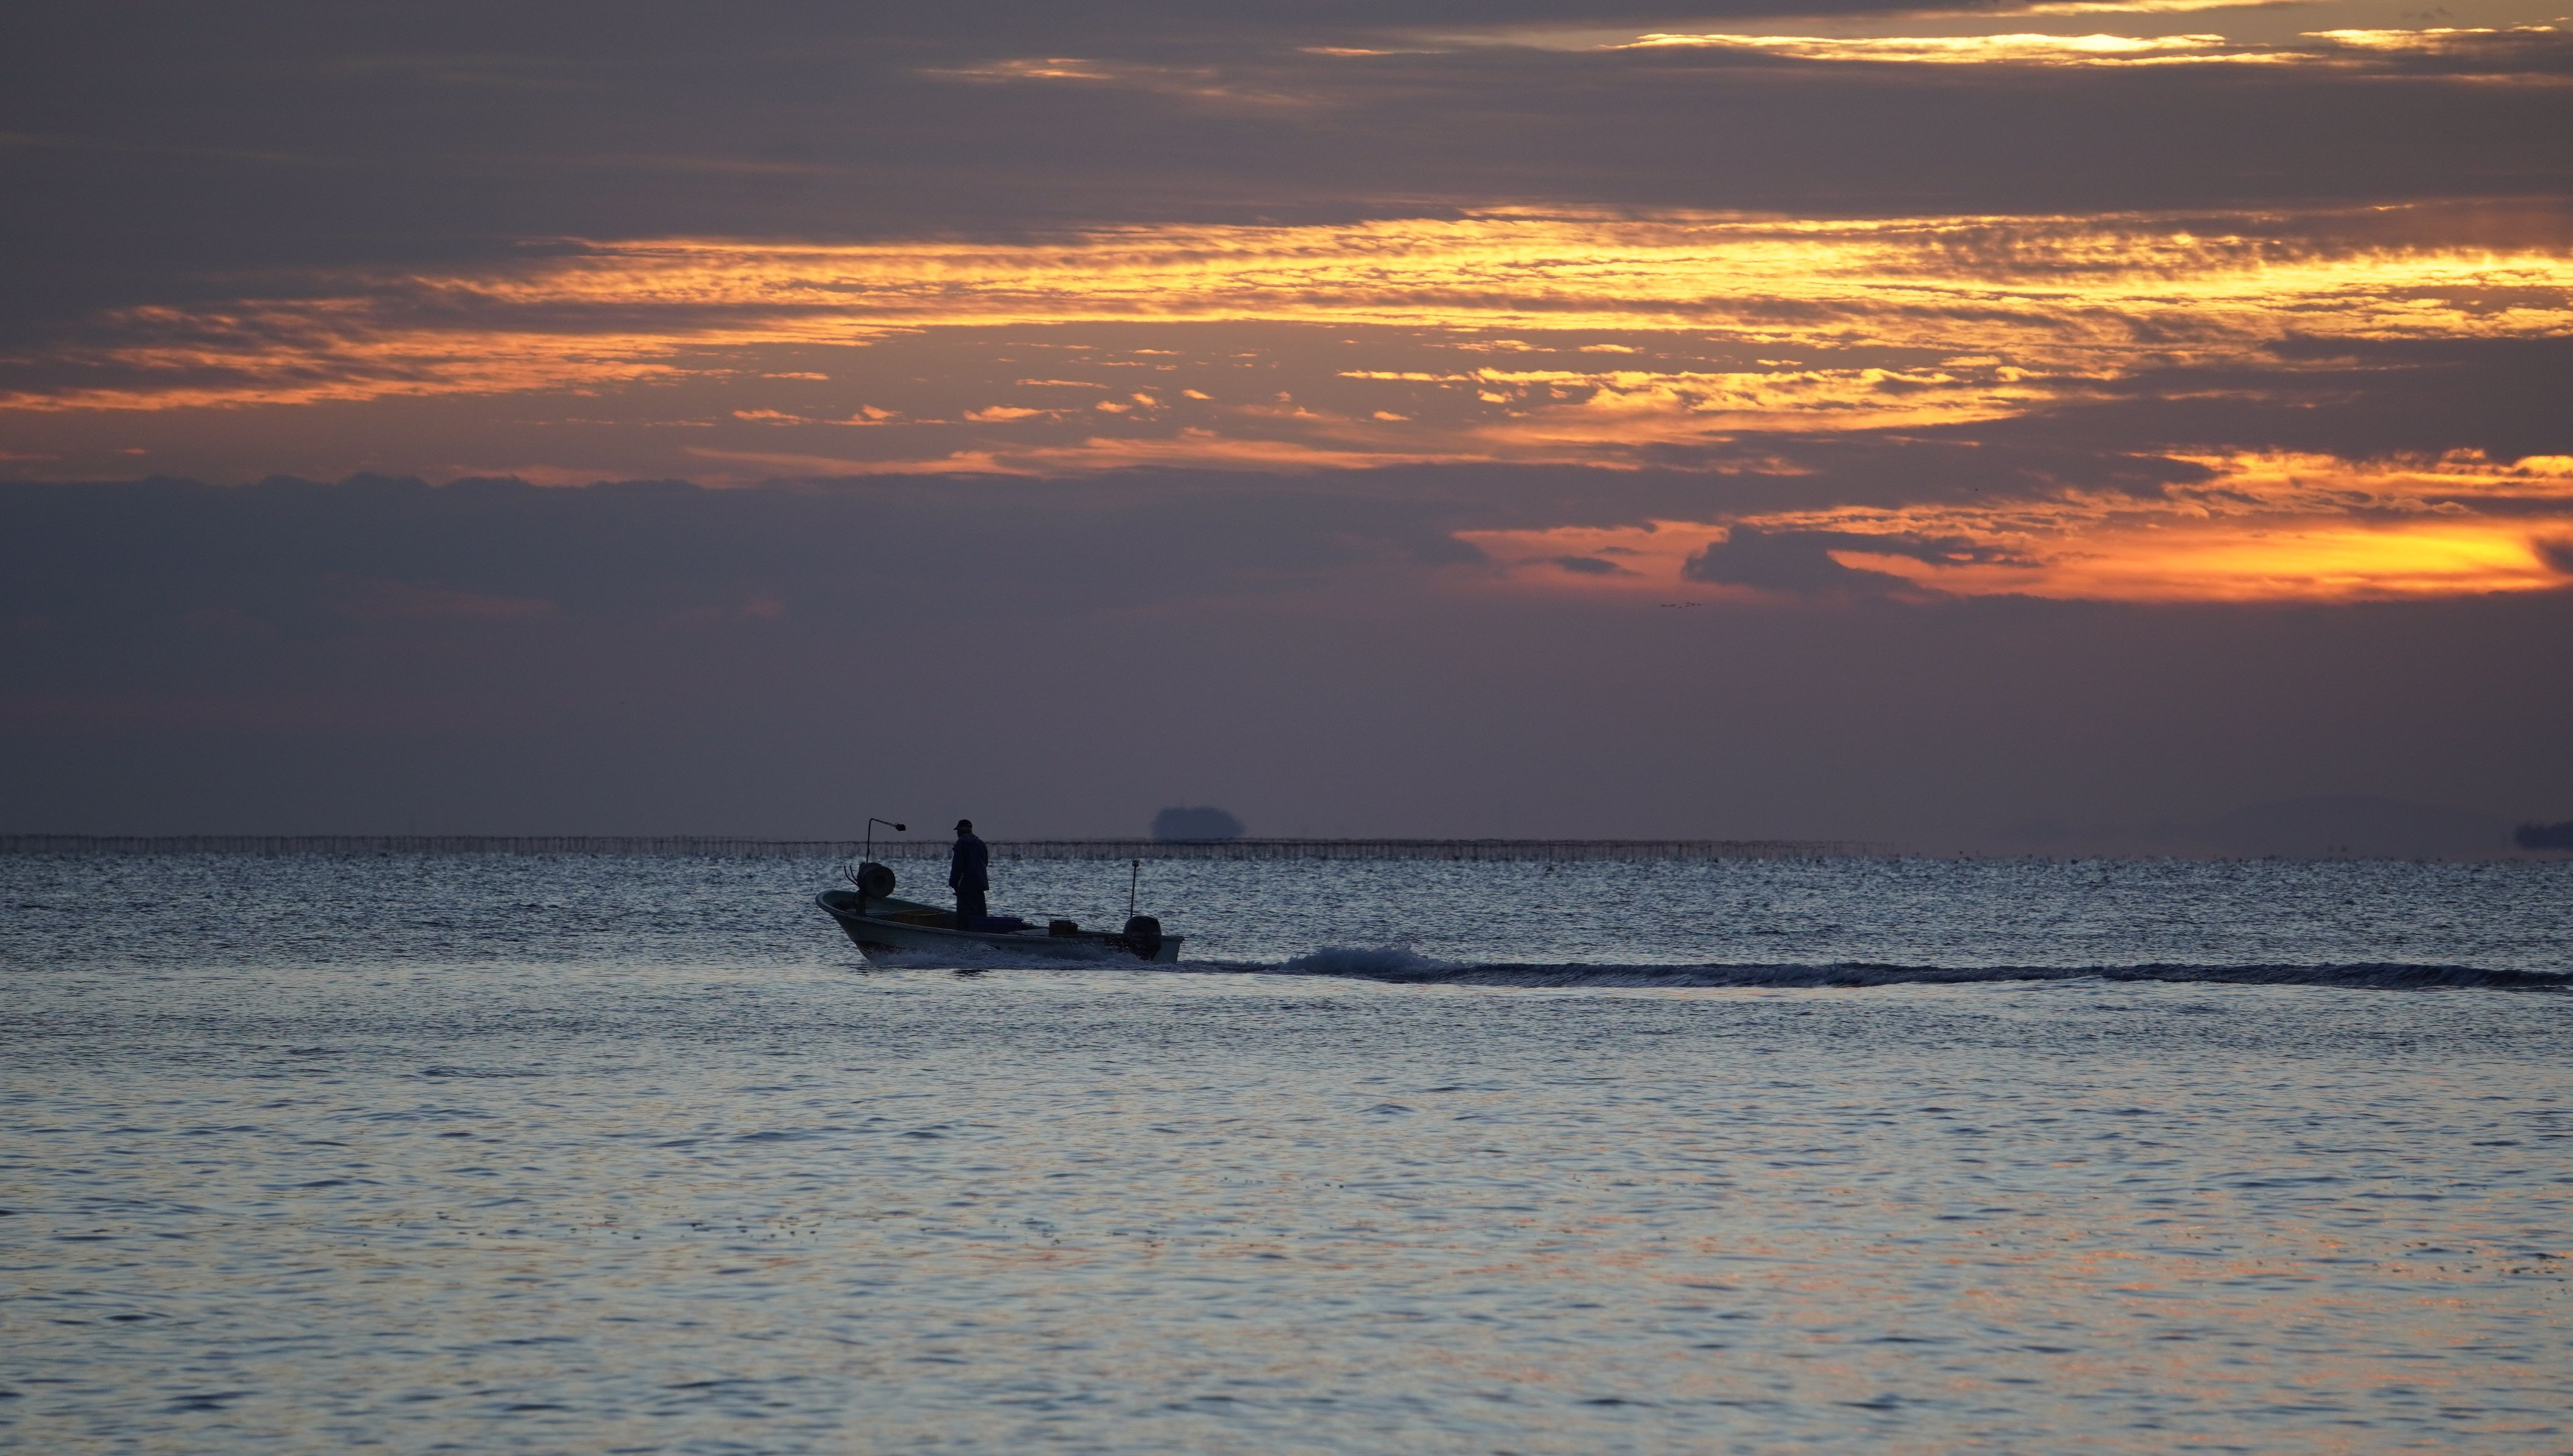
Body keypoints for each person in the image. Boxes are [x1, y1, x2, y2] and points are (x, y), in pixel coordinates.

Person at [948, 818, 990, 930]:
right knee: (980, 914)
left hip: (966, 886)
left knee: (965, 918)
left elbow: (957, 866)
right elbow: (985, 863)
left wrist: (953, 883)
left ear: (960, 830)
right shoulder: (980, 843)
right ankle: (982, 934)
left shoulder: (961, 843)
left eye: (958, 830)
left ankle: (964, 935)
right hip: (981, 885)